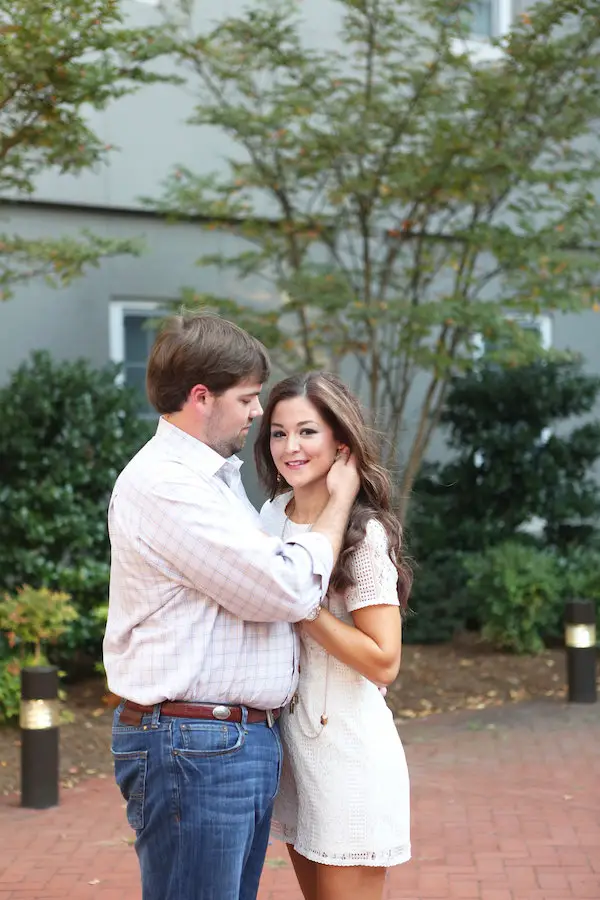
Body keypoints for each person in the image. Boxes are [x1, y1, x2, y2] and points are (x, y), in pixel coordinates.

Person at [103, 313, 360, 900]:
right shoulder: (167, 486)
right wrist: (337, 506)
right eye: (247, 399)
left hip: (221, 743)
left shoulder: (214, 482)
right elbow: (287, 590)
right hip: (195, 745)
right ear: (201, 397)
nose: (256, 413)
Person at [255, 370, 412, 900]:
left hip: (350, 753)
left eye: (306, 432)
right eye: (278, 433)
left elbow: (384, 661)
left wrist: (304, 609)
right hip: (293, 749)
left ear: (340, 443)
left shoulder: (364, 535)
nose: (290, 447)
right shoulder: (271, 516)